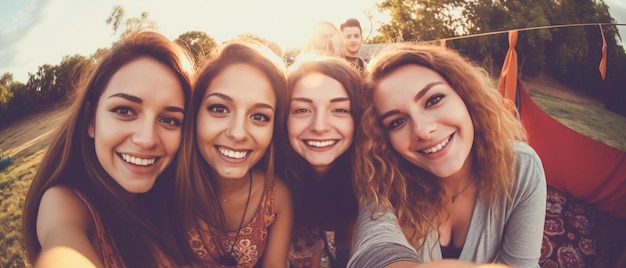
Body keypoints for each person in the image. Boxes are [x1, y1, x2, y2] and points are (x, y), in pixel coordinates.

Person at [348, 43, 547, 268]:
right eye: (397, 122)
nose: (422, 130)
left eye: (433, 100)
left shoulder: (520, 166)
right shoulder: (381, 174)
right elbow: (375, 250)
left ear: (466, 97)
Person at [22, 31, 195, 267]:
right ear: (91, 120)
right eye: (124, 111)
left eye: (170, 120)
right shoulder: (64, 202)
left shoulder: (174, 195)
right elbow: (63, 247)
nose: (147, 139)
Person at [174, 39, 293, 267]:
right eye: (219, 108)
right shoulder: (168, 185)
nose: (238, 133)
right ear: (195, 113)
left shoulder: (277, 197)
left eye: (259, 116)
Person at [278, 55, 363, 268]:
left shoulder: (375, 177)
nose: (320, 126)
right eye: (302, 110)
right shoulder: (271, 182)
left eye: (340, 110)